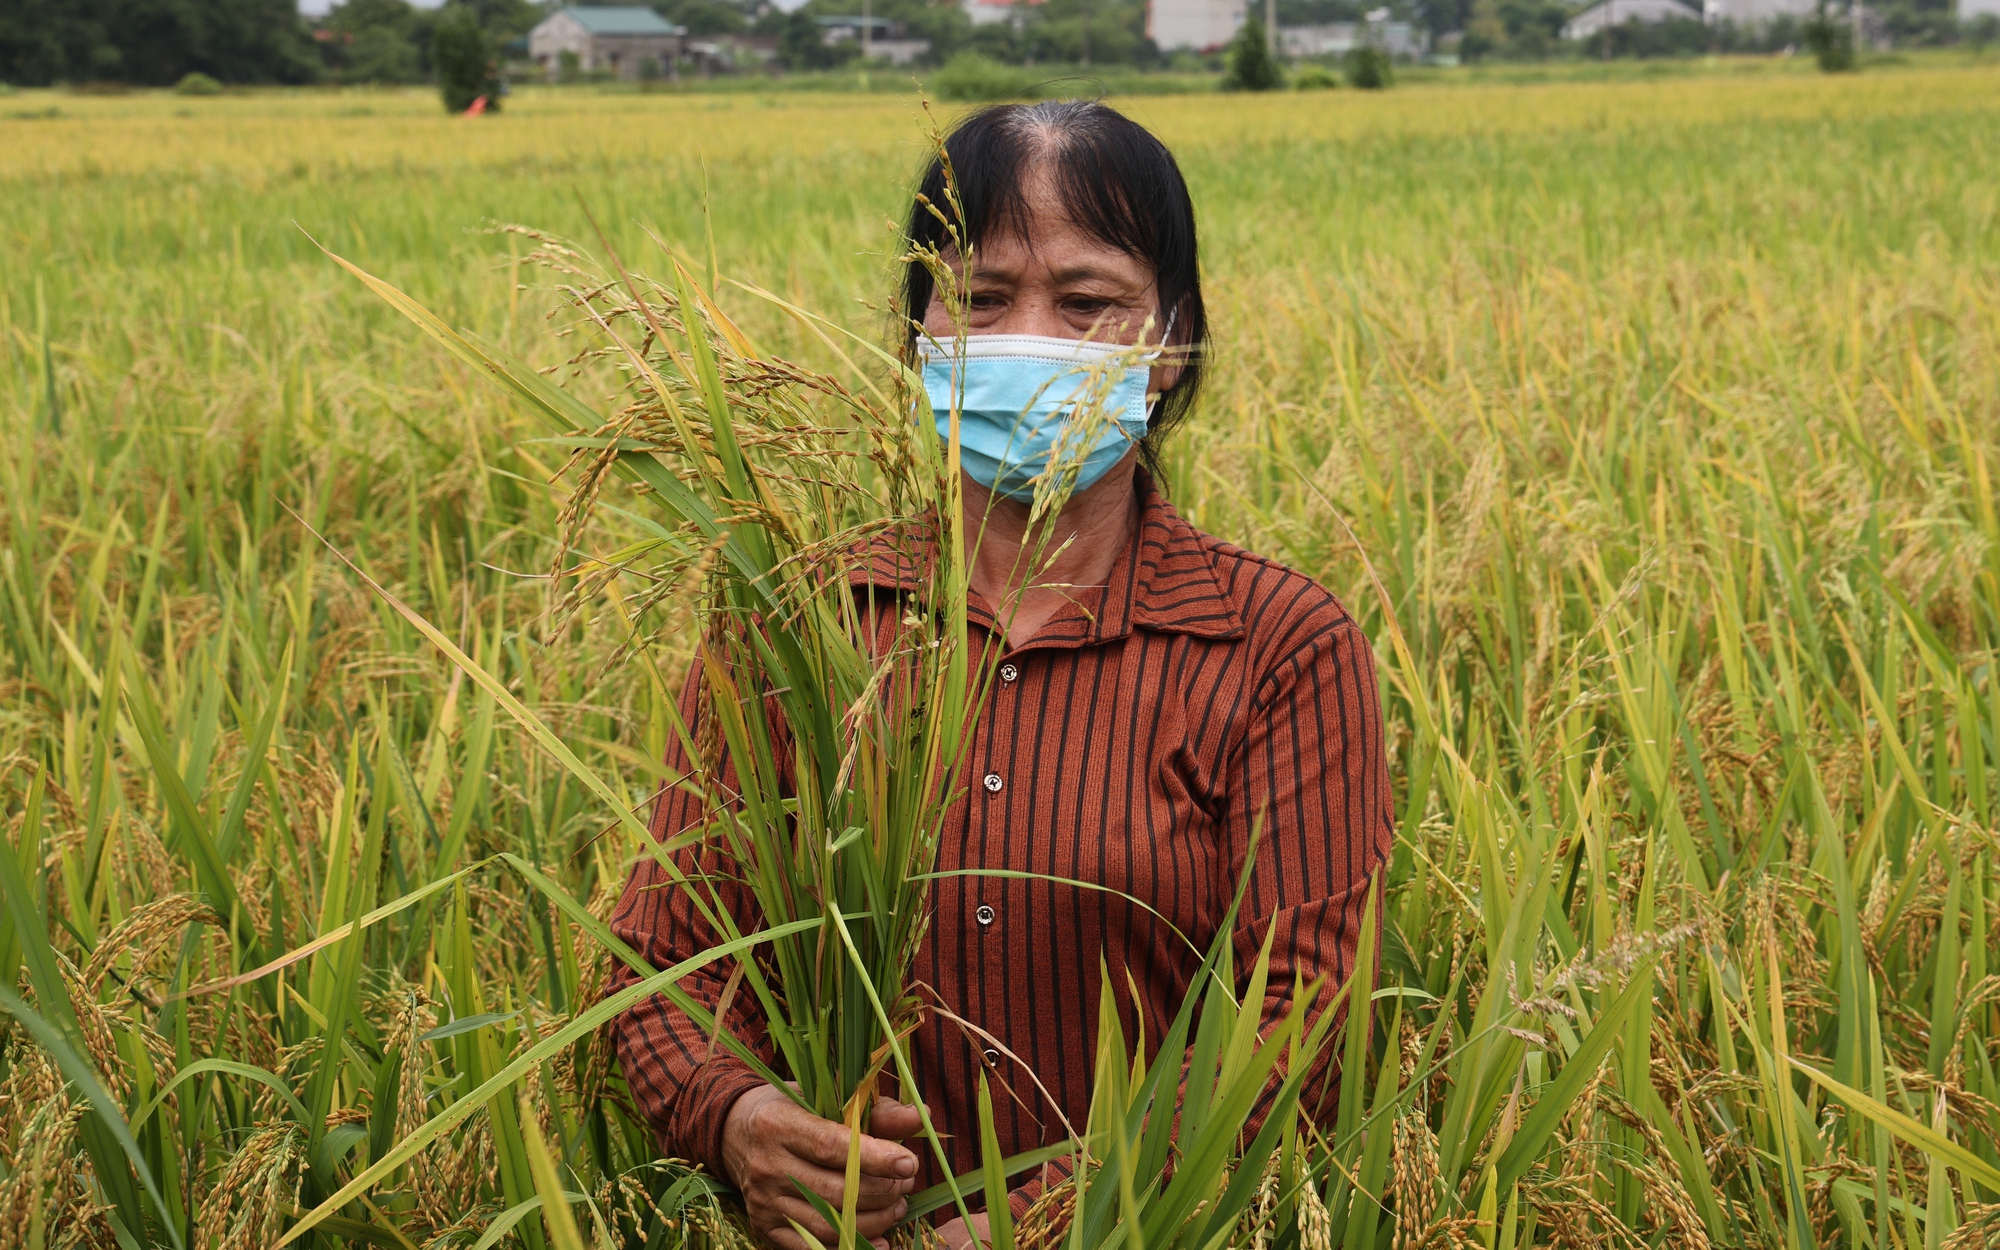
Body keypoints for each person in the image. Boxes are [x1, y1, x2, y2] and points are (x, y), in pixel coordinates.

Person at [607, 100, 1394, 1250]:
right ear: (918, 330)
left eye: (1086, 301)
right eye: (978, 298)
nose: (1029, 336)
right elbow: (659, 958)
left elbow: (1302, 1027)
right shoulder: (799, 622)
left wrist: (1025, 1228)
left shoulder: (1276, 645)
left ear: (1170, 342)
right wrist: (739, 1118)